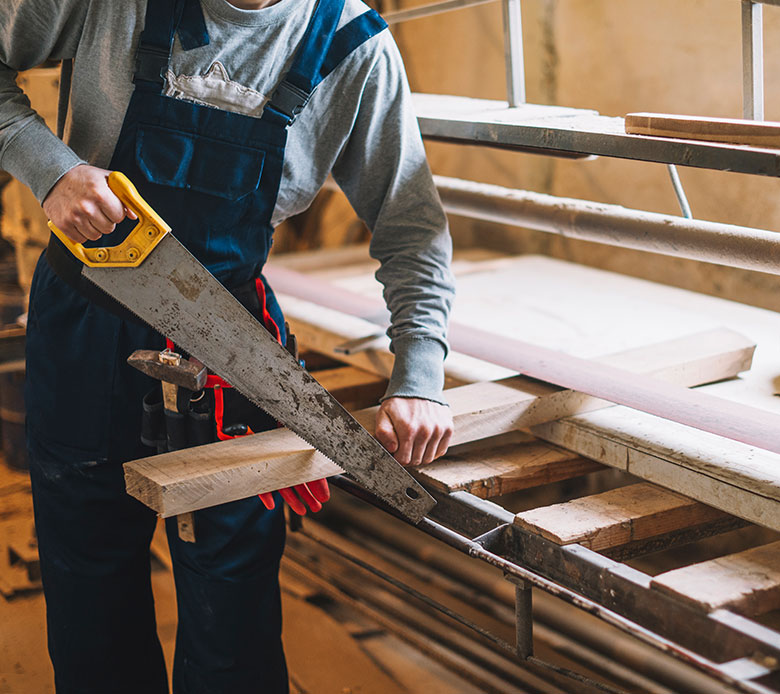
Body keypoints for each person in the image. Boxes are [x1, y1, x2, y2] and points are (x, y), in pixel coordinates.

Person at [0, 0, 455, 691]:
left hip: (233, 355)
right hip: (85, 325)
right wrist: (50, 169)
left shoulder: (353, 43)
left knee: (232, 615)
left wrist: (418, 376)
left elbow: (412, 228)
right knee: (90, 598)